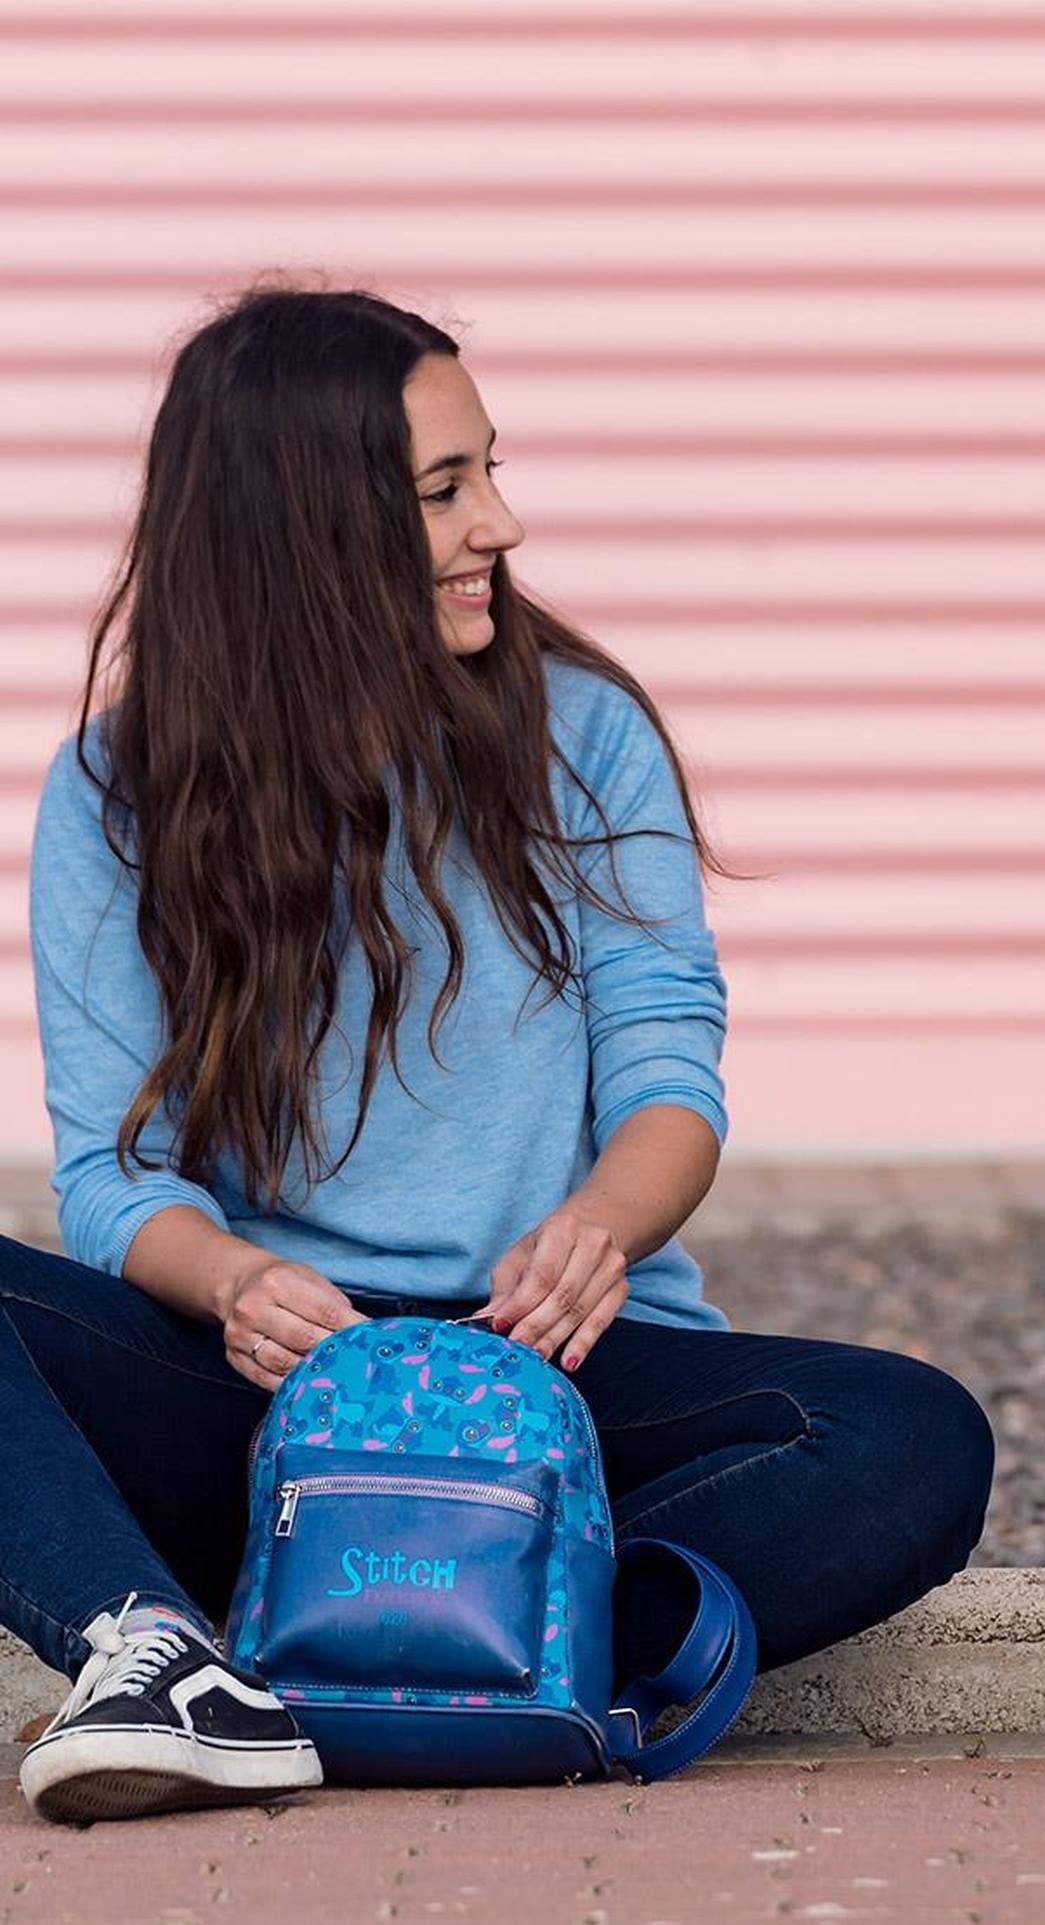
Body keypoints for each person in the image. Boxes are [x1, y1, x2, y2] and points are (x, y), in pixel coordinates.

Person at [7, 287, 994, 1824]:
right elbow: (113, 1179)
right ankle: (164, 1654)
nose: (502, 527)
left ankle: (398, 1639)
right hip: (274, 1400)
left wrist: (601, 1229)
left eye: (493, 473)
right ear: (307, 529)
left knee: (912, 1437)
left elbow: (672, 1073)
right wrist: (235, 1284)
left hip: (555, 1381)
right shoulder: (110, 798)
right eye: (448, 489)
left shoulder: (584, 737)